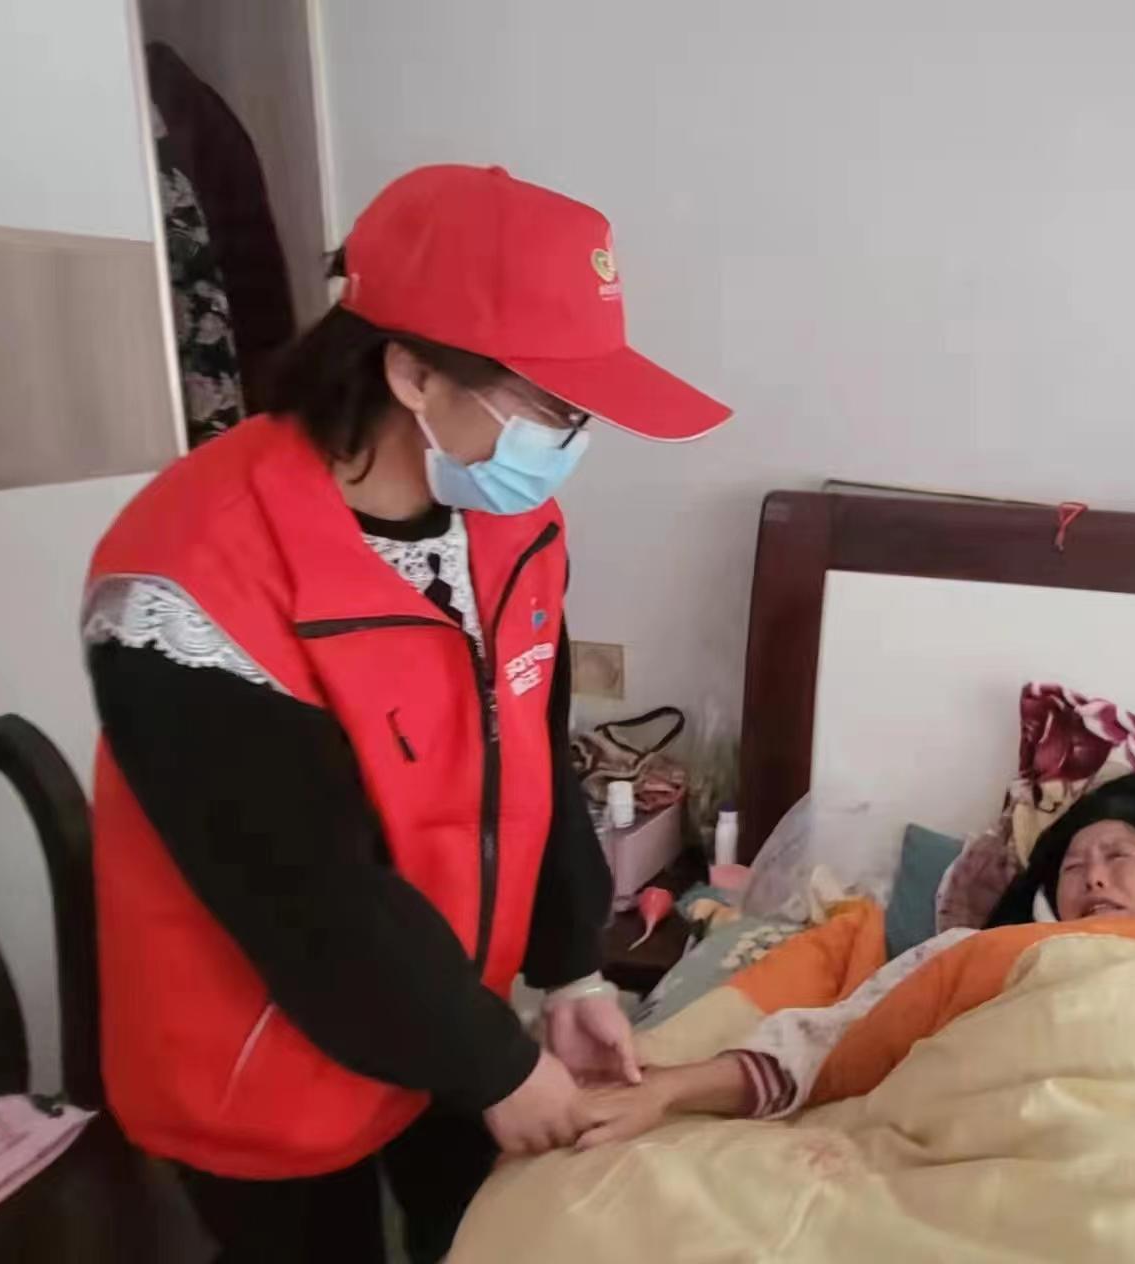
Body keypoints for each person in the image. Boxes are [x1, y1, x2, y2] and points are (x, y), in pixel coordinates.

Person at [80, 164, 731, 1263]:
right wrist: (496, 1065)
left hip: (442, 1004)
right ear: (414, 373)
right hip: (266, 1055)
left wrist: (568, 967)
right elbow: (302, 892)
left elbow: (532, 756)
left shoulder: (513, 529)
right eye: (551, 407)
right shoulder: (188, 577)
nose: (571, 442)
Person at [571, 775, 1135, 1148]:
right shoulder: (979, 955)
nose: (1094, 878)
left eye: (1118, 857)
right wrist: (668, 1088)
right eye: (1074, 867)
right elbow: (826, 1041)